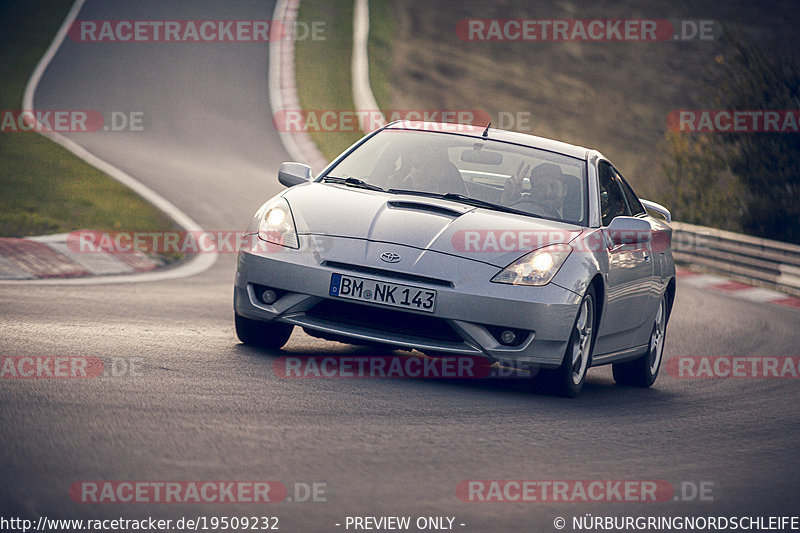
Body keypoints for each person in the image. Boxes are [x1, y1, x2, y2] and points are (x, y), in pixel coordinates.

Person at [502, 162, 568, 219]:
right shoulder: (523, 211)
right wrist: (510, 198)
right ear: (532, 190)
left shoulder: (576, 220)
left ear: (565, 190)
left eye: (553, 186)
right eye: (541, 187)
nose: (548, 192)